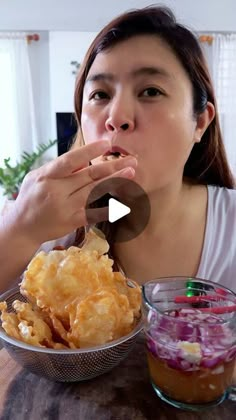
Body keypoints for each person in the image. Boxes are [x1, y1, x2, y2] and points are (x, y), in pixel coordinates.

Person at [0, 5, 236, 293]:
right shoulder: (45, 230)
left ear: (200, 122)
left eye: (151, 91)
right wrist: (18, 231)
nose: (116, 117)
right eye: (100, 94)